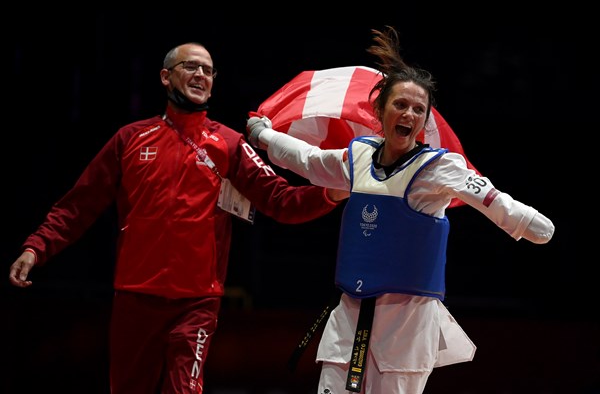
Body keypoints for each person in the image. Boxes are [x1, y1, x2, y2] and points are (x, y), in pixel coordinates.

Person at [8, 42, 348, 394]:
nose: (201, 74)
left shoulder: (229, 144)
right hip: (134, 298)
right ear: (165, 77)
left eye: (208, 70)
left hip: (197, 302)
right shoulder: (130, 139)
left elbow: (281, 200)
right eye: (191, 66)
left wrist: (329, 193)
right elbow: (79, 204)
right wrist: (37, 247)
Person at [246, 26, 555, 394]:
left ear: (425, 122)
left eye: (418, 109)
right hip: (351, 312)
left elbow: (491, 198)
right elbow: (309, 160)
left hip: (406, 323)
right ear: (379, 110)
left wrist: (530, 223)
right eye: (400, 104)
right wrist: (263, 135)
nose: (408, 113)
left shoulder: (441, 168)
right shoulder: (358, 156)